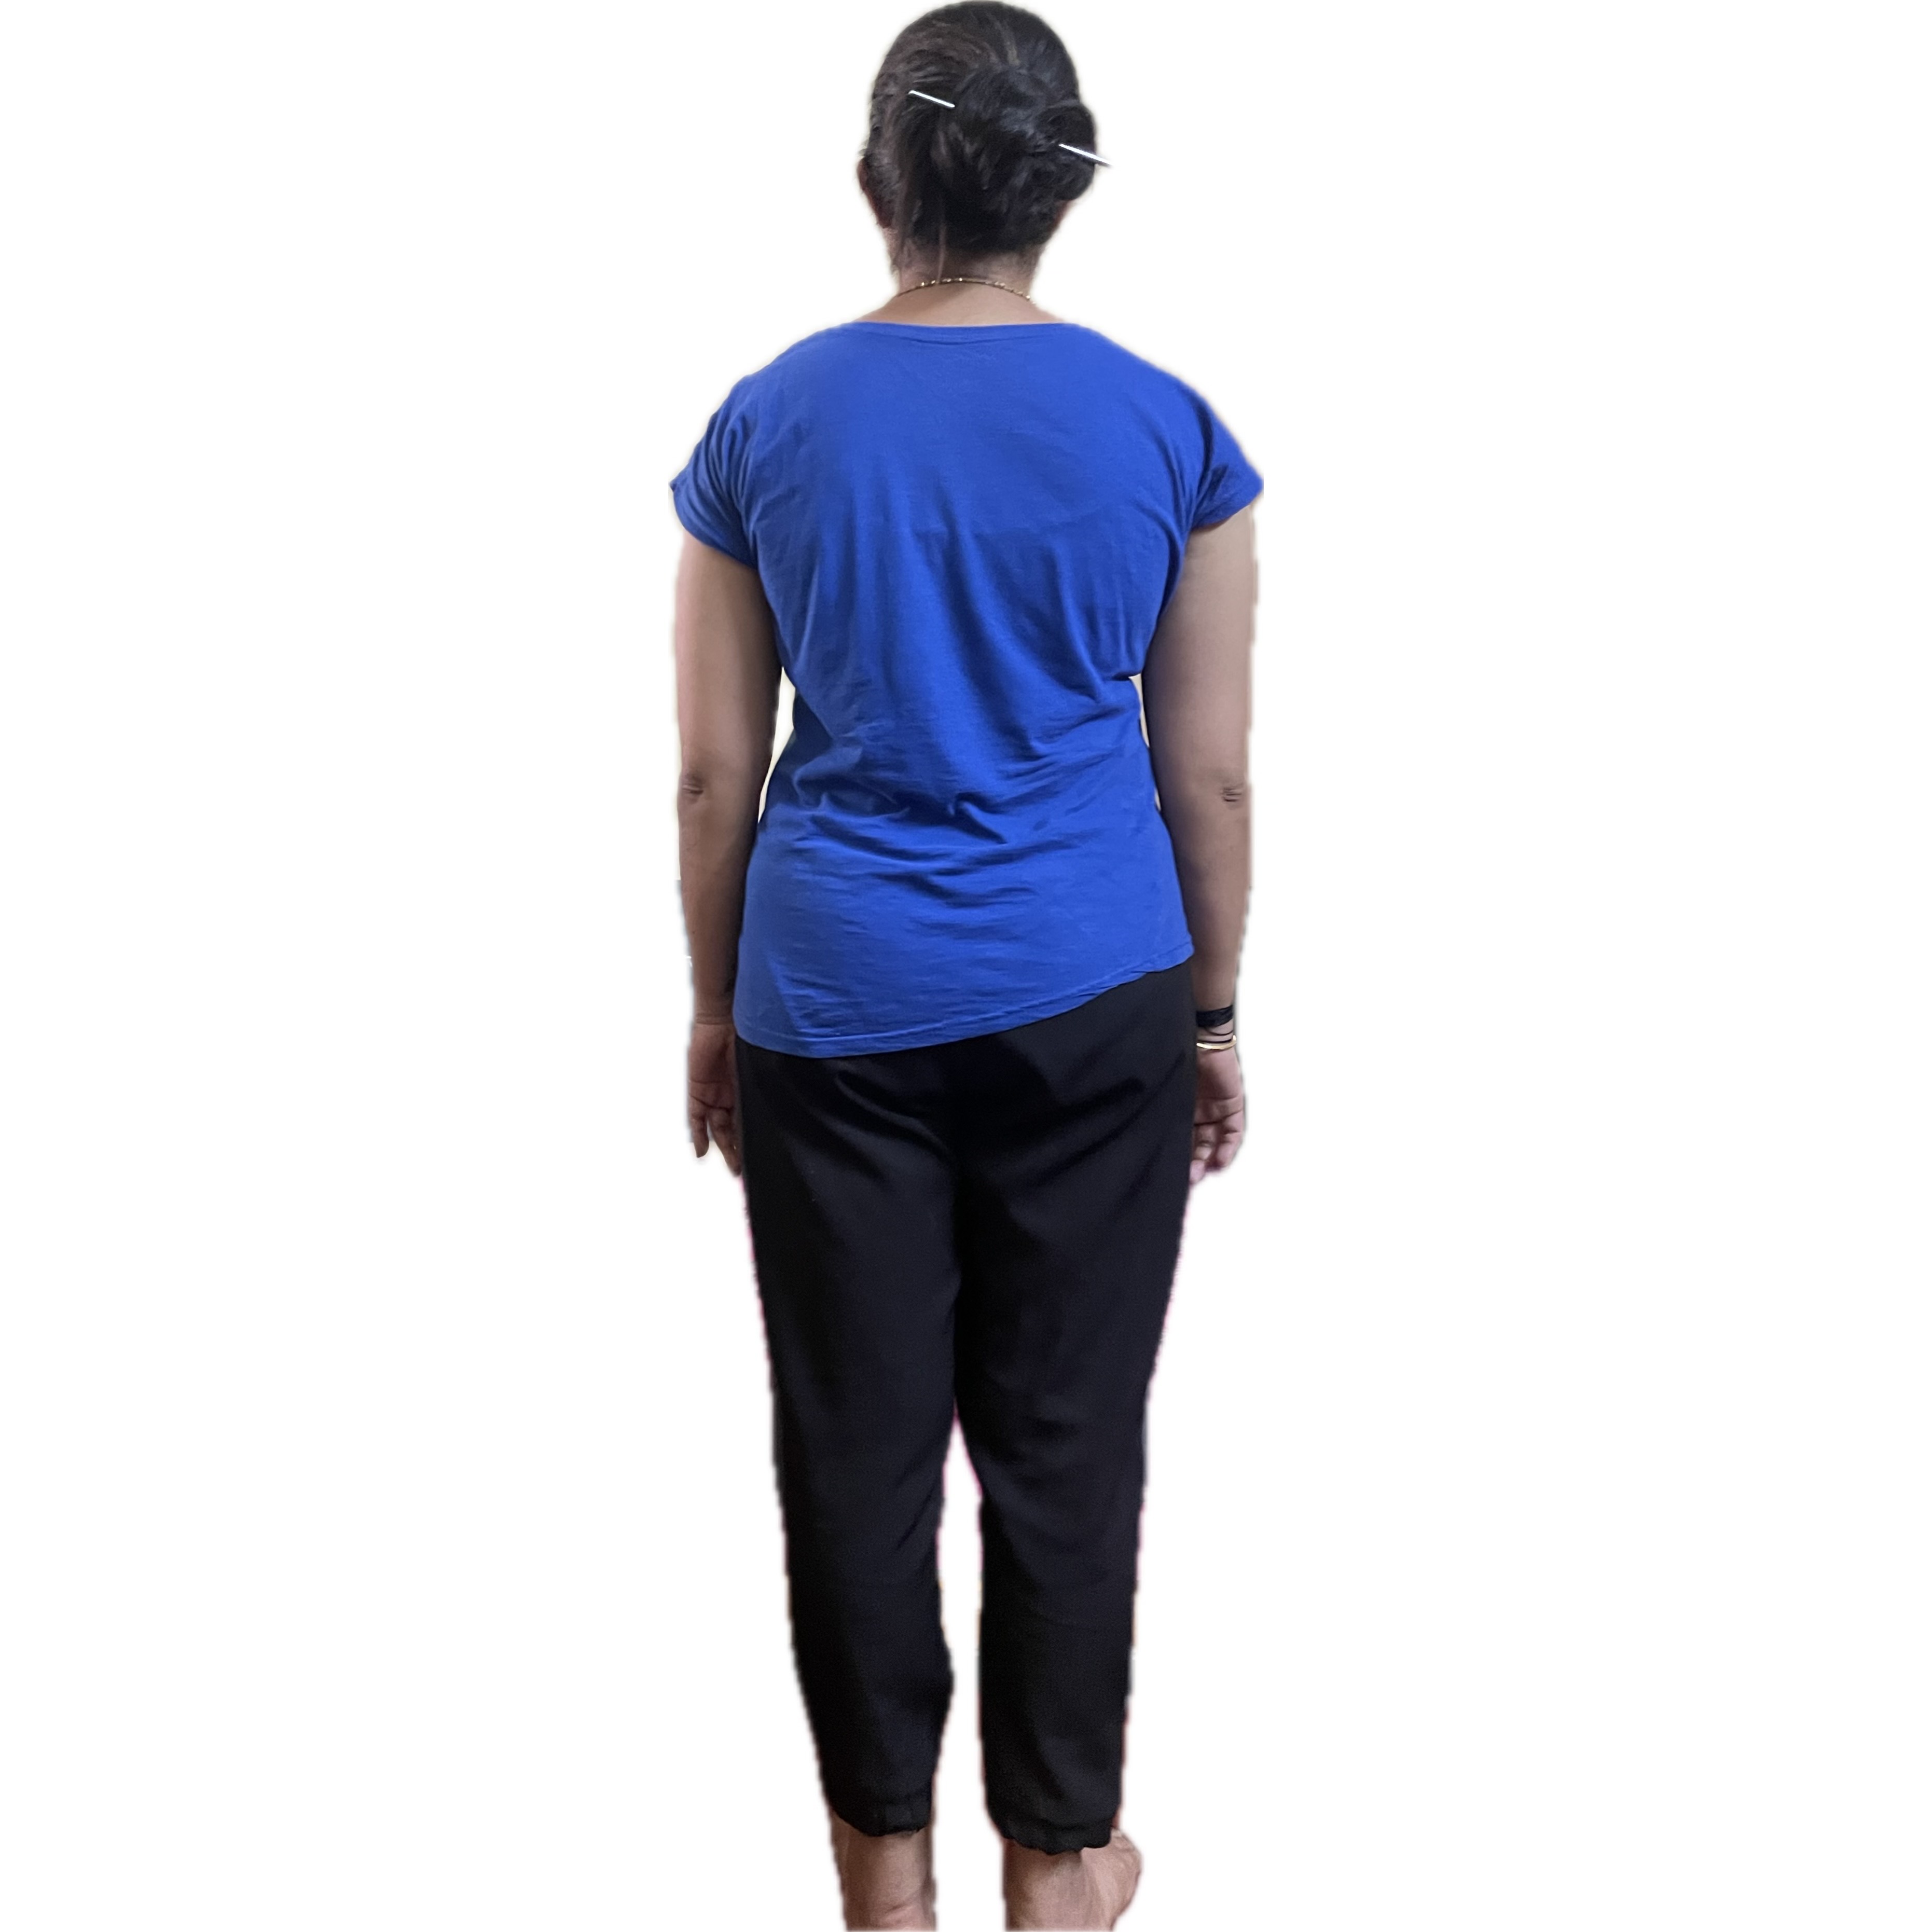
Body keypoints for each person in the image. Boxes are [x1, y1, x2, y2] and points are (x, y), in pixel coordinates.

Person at [670, 6, 1259, 1924]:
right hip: (1095, 993)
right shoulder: (1170, 428)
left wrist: (715, 1009)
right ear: (1058, 188)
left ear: (877, 178)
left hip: (831, 1000)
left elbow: (712, 771)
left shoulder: (766, 419)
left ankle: (886, 1885)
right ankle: (1060, 1868)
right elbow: (1207, 775)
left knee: (854, 1451)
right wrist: (1211, 1016)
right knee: (1063, 1443)